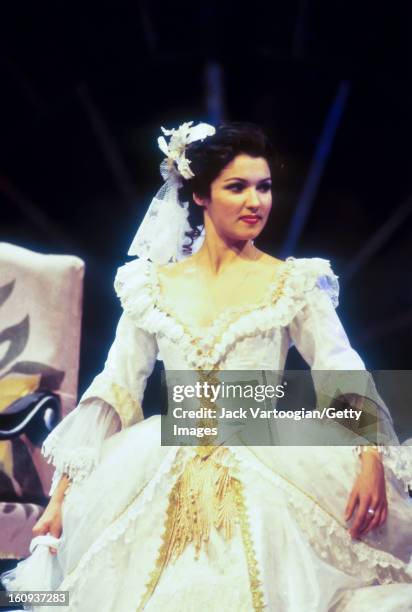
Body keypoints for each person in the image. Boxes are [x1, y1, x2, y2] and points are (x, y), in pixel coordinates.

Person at [2, 121, 412, 611]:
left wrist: (369, 456)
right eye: (236, 187)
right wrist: (61, 496)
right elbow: (116, 387)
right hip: (164, 460)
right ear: (200, 195)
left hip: (268, 461)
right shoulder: (149, 286)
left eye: (263, 187)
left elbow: (337, 370)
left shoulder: (293, 282)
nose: (255, 201)